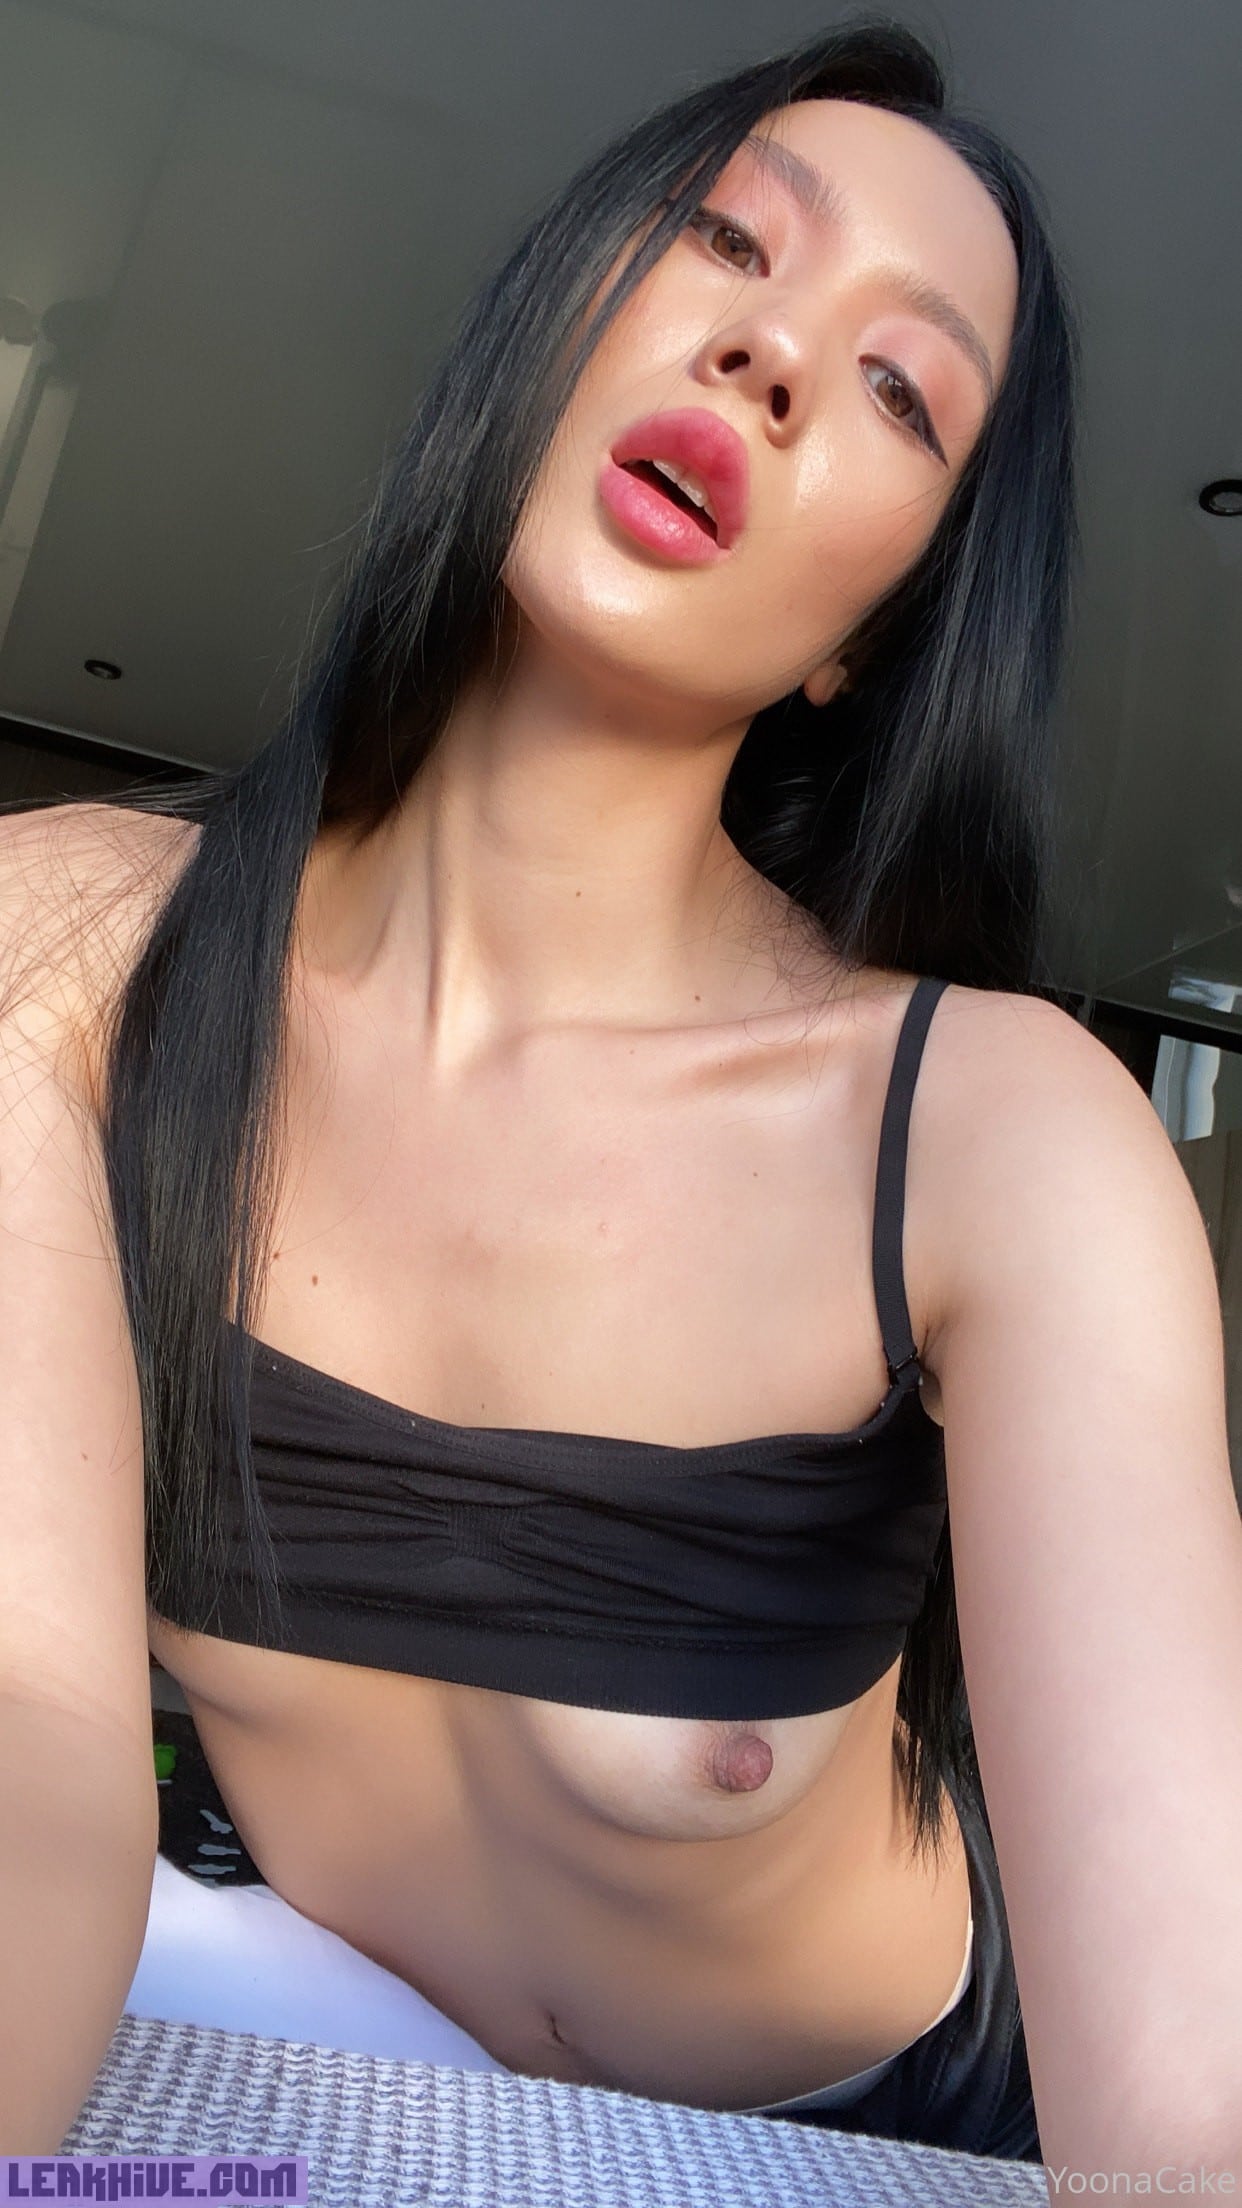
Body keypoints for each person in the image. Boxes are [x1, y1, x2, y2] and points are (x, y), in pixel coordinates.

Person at [3, 16, 1241, 2184]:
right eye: (725, 241)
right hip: (386, 2088)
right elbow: (32, 1736)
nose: (775, 357)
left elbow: (1194, 2088)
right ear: (549, 315)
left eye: (899, 389)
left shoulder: (995, 1133)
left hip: (900, 2134)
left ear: (871, 636)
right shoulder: (70, 950)